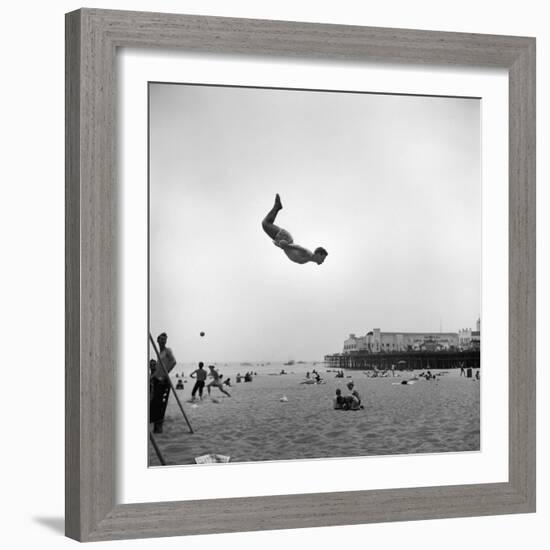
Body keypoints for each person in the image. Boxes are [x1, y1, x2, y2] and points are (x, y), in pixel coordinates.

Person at [262, 194, 328, 265]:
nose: (322, 261)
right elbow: (298, 247)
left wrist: (281, 246)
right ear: (318, 254)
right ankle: (277, 206)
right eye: (323, 258)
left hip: (283, 240)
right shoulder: (308, 254)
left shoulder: (307, 259)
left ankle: (277, 207)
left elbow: (291, 252)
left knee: (266, 223)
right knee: (266, 224)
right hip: (285, 238)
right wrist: (286, 245)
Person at [149, 332, 177, 433]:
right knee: (154, 404)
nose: (163, 341)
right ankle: (156, 428)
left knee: (160, 405)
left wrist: (164, 375)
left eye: (164, 339)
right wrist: (152, 377)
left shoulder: (167, 351)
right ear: (157, 340)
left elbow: (173, 362)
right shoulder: (159, 353)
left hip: (164, 381)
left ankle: (159, 428)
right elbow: (158, 369)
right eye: (161, 339)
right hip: (157, 380)